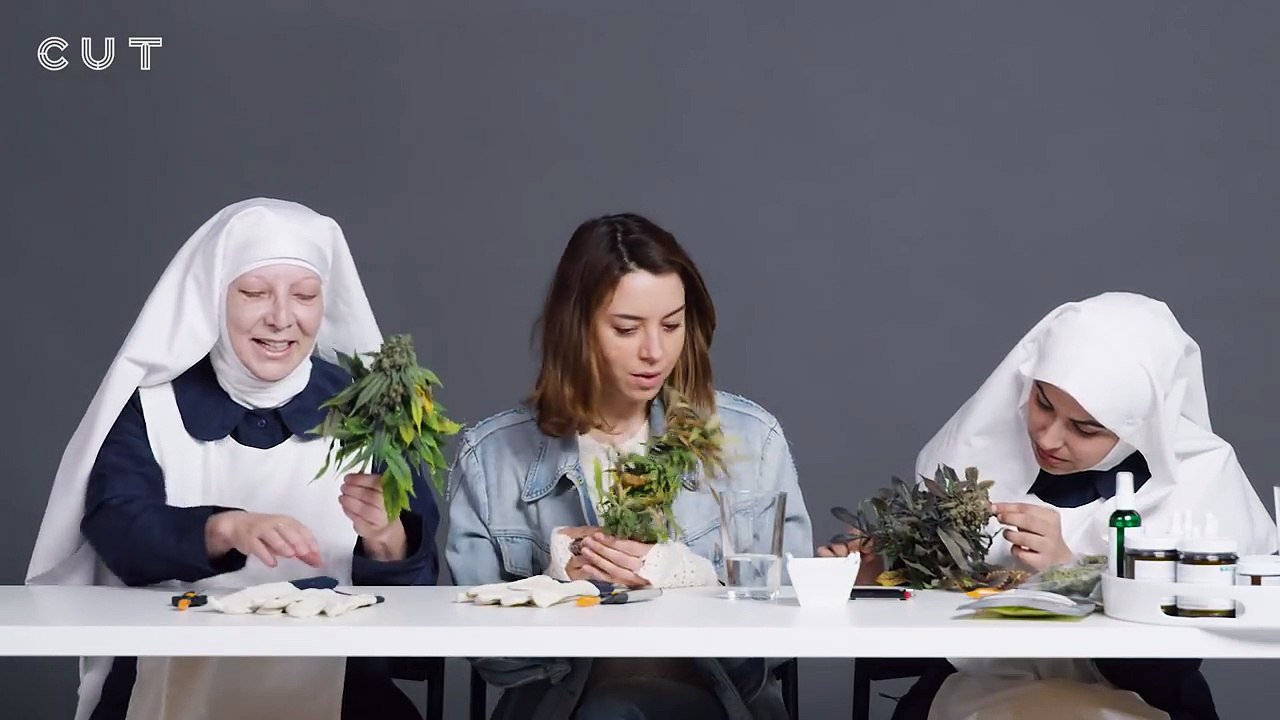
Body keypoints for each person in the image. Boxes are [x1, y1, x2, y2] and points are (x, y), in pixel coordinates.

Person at [26, 198, 437, 720]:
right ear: (213, 296)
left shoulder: (371, 410)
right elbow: (118, 524)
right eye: (254, 292)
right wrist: (224, 530)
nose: (282, 317)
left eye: (305, 295)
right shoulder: (152, 405)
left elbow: (418, 608)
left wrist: (387, 539)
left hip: (341, 684)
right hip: (171, 673)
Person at [824, 292, 1276, 719]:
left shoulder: (1198, 484)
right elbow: (925, 631)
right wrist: (875, 585)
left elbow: (1165, 662)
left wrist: (1071, 573)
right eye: (1042, 403)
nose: (1048, 437)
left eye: (1085, 428)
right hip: (975, 691)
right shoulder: (973, 459)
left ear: (1142, 426)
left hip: (1139, 698)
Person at [446, 212, 813, 719]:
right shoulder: (492, 456)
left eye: (671, 325)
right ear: (575, 326)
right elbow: (491, 658)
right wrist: (555, 585)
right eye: (626, 328)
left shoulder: (750, 438)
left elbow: (793, 630)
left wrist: (693, 579)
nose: (654, 352)